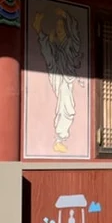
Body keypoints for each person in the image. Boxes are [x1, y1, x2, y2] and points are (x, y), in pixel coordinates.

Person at [32, 8, 83, 153]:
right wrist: (43, 35)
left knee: (68, 108)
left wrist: (66, 15)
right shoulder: (53, 45)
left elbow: (75, 34)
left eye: (62, 26)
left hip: (67, 78)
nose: (59, 28)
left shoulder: (71, 44)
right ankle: (60, 139)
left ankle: (60, 139)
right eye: (58, 26)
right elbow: (47, 54)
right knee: (66, 107)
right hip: (58, 76)